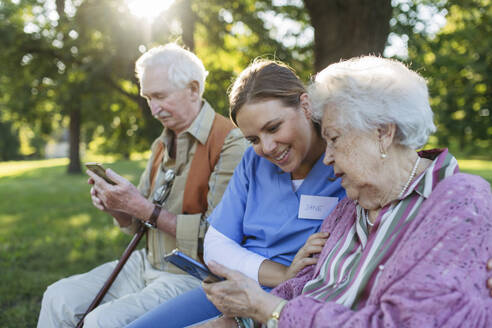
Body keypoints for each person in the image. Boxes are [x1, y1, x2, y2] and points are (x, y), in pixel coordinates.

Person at [200, 56, 492, 327]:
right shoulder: (349, 209)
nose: (326, 159)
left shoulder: (459, 203)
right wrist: (245, 314)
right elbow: (298, 286)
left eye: (334, 139)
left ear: (382, 132)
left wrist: (268, 309)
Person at [37, 43, 248, 328]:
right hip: (146, 262)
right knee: (58, 297)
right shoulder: (161, 144)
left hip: (193, 275)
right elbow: (139, 224)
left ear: (194, 89)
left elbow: (218, 236)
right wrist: (118, 207)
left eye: (160, 96)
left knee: (102, 321)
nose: (153, 108)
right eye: (148, 97)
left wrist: (143, 208)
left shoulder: (230, 141)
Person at [125, 60, 346, 327]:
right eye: (253, 139)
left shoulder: (344, 163)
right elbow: (216, 248)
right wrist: (283, 273)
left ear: (306, 105)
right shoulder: (255, 163)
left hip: (295, 298)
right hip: (234, 286)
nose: (267, 147)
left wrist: (285, 279)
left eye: (274, 127)